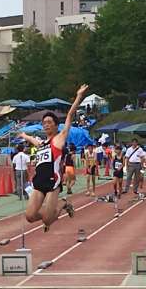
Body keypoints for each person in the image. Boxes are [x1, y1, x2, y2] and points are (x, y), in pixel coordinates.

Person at [18, 84, 89, 232]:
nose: (46, 125)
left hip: (52, 183)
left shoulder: (59, 139)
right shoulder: (42, 143)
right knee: (30, 216)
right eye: (44, 123)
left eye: (49, 122)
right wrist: (24, 135)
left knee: (47, 220)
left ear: (56, 126)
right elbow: (33, 140)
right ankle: (52, 213)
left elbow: (70, 115)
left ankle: (63, 203)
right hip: (39, 182)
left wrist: (79, 96)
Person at [113, 145, 124, 217]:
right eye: (116, 150)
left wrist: (120, 167)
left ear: (120, 150)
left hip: (120, 172)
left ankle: (119, 193)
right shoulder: (114, 156)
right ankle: (115, 191)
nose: (117, 151)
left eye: (118, 150)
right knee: (114, 183)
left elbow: (124, 163)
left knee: (120, 183)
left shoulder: (122, 156)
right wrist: (115, 168)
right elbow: (113, 163)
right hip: (115, 171)